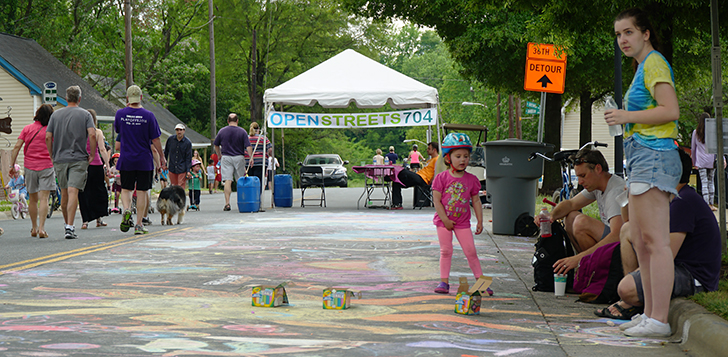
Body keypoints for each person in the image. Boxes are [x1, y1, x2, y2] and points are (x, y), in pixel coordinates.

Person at [605, 8, 681, 337]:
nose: (623, 39)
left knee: (655, 242)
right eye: (619, 34)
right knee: (640, 240)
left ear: (645, 33)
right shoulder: (642, 67)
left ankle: (659, 320)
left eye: (629, 32)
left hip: (654, 155)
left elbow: (671, 110)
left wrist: (624, 116)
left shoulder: (654, 63)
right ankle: (650, 314)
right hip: (641, 156)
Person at [607, 149, 721, 337]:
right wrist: (631, 198)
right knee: (628, 231)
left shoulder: (683, 202)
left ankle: (646, 312)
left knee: (626, 288)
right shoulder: (673, 198)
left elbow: (667, 254)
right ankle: (646, 312)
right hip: (680, 267)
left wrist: (636, 277)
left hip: (695, 277)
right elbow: (632, 227)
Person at [545, 149, 626, 275]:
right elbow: (571, 204)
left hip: (625, 249)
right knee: (571, 216)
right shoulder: (598, 184)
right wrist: (551, 216)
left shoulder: (615, 191)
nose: (580, 182)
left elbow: (617, 235)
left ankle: (594, 272)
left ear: (598, 169)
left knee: (580, 223)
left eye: (583, 176)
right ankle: (586, 268)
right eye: (578, 177)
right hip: (611, 244)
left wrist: (578, 258)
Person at [432, 133, 483, 294]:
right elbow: (437, 201)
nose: (463, 160)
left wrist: (480, 221)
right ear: (448, 158)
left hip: (462, 223)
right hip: (443, 222)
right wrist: (445, 220)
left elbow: (476, 201)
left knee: (471, 251)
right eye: (458, 156)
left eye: (466, 156)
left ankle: (481, 283)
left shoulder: (472, 179)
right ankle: (444, 282)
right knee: (446, 251)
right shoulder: (441, 178)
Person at [45, 85, 97, 240]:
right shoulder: (85, 115)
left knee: (64, 191)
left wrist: (51, 154)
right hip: (79, 158)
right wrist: (92, 154)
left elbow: (48, 136)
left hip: (60, 158)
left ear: (66, 98)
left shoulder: (55, 115)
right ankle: (70, 226)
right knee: (74, 191)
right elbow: (92, 135)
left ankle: (66, 223)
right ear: (79, 99)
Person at [115, 85, 166, 235]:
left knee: (126, 188)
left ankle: (126, 210)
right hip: (144, 160)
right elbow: (155, 140)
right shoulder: (149, 116)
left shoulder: (120, 114)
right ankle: (138, 224)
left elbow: (119, 131)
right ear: (141, 98)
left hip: (126, 159)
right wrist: (161, 157)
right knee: (143, 191)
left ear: (127, 99)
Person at [9, 104, 54, 238]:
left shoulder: (27, 129)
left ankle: (34, 228)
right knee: (44, 198)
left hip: (30, 167)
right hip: (47, 166)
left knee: (33, 199)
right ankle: (42, 228)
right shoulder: (52, 131)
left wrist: (12, 165)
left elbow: (17, 146)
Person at [78, 109, 110, 230]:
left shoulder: (79, 132)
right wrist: (106, 164)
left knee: (84, 192)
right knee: (98, 190)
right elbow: (102, 149)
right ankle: (99, 218)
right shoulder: (97, 132)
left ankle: (85, 220)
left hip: (83, 164)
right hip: (96, 164)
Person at [213, 113, 252, 211]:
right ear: (237, 120)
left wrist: (219, 154)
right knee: (240, 180)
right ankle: (242, 201)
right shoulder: (242, 131)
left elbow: (216, 144)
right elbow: (248, 146)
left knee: (227, 180)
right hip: (239, 157)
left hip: (226, 157)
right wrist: (251, 158)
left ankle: (227, 203)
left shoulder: (222, 131)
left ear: (228, 121)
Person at [391, 142, 439, 209]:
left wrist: (431, 182)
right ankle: (397, 204)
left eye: (429, 148)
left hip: (423, 179)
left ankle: (389, 176)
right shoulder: (430, 160)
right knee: (396, 182)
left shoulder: (437, 160)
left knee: (403, 170)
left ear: (434, 150)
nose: (427, 150)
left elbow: (437, 173)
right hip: (417, 177)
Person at [691, 112, 718, 211]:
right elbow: (716, 147)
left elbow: (693, 148)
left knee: (704, 183)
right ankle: (711, 204)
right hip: (711, 161)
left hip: (701, 161)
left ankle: (705, 204)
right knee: (711, 182)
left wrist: (694, 161)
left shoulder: (696, 132)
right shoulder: (712, 133)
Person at [164, 123, 192, 189]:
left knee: (180, 186)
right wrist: (164, 164)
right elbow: (166, 152)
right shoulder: (170, 140)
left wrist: (188, 170)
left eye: (180, 130)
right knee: (173, 186)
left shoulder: (187, 143)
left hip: (182, 168)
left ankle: (180, 199)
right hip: (172, 167)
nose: (179, 132)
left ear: (184, 131)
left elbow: (188, 157)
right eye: (177, 130)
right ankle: (174, 199)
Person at [246, 122, 272, 193]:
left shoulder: (246, 138)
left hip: (248, 162)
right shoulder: (263, 138)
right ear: (258, 129)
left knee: (250, 180)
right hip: (261, 162)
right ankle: (258, 196)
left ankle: (251, 196)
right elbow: (270, 149)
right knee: (259, 180)